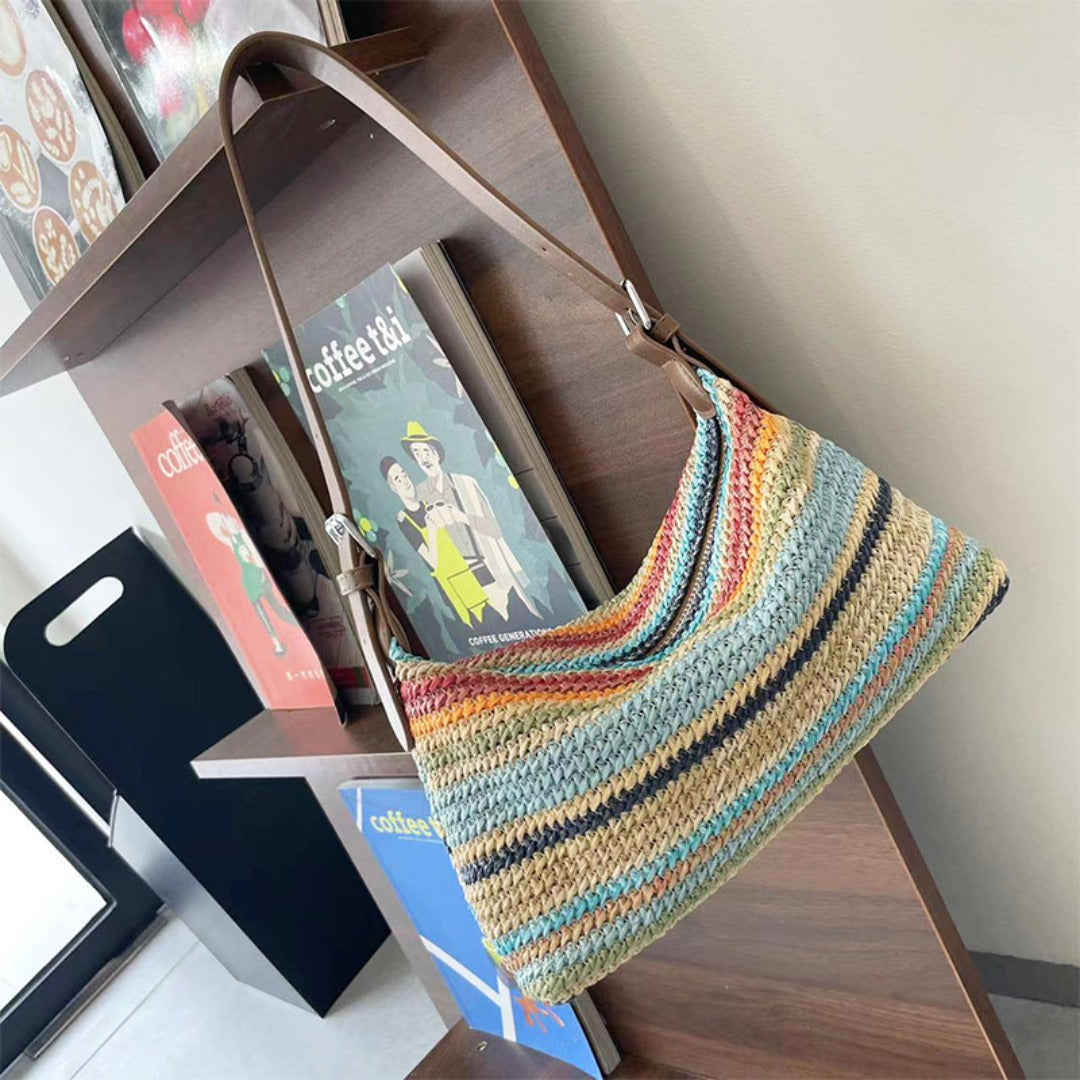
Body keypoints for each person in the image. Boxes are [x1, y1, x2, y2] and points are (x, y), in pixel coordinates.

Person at [400, 422, 540, 623]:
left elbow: (494, 529)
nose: (423, 458)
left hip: (489, 568)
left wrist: (462, 517)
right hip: (459, 580)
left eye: (426, 451)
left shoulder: (465, 484)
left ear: (437, 454)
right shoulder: (420, 495)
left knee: (513, 618)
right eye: (417, 453)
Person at [380, 456, 488, 628]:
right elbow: (433, 561)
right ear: (393, 487)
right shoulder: (404, 521)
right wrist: (431, 527)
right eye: (398, 479)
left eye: (404, 474)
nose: (405, 480)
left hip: (466, 572)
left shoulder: (428, 503)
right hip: (449, 584)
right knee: (473, 624)